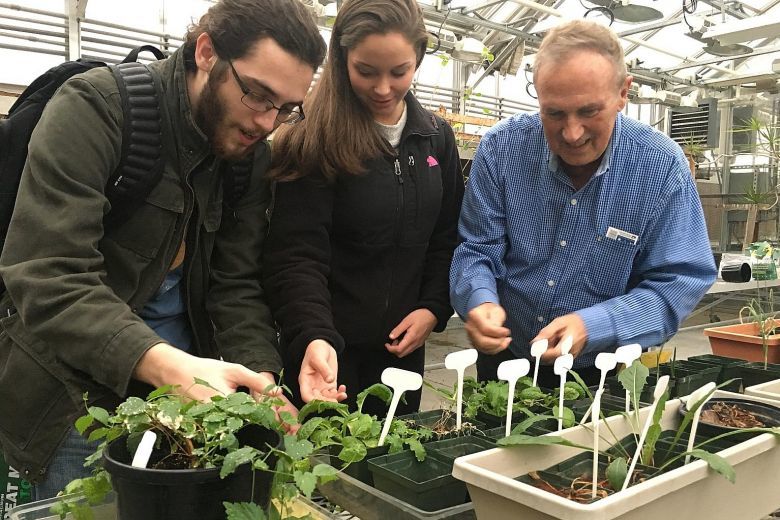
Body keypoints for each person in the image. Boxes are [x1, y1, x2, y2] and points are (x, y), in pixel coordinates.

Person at [0, 0, 326, 500]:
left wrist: (258, 378)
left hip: (185, 396)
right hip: (72, 402)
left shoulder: (247, 159)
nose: (267, 122)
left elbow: (235, 285)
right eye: (258, 95)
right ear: (206, 52)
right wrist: (170, 367)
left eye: (286, 108)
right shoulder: (97, 108)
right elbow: (49, 275)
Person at [450, 19, 717, 387]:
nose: (572, 133)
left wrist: (593, 325)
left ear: (623, 92)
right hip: (504, 357)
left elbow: (678, 282)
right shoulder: (502, 150)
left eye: (589, 112)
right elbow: (477, 248)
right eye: (554, 113)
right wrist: (480, 300)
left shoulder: (660, 167)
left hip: (599, 368)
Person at [263, 0, 464, 416]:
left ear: (418, 57)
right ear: (342, 60)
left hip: (402, 350)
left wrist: (432, 308)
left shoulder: (435, 138)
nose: (383, 88)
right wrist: (314, 334)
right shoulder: (312, 138)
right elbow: (296, 255)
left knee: (396, 449)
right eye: (366, 71)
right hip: (326, 355)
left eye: (399, 71)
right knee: (327, 451)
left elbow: (447, 236)